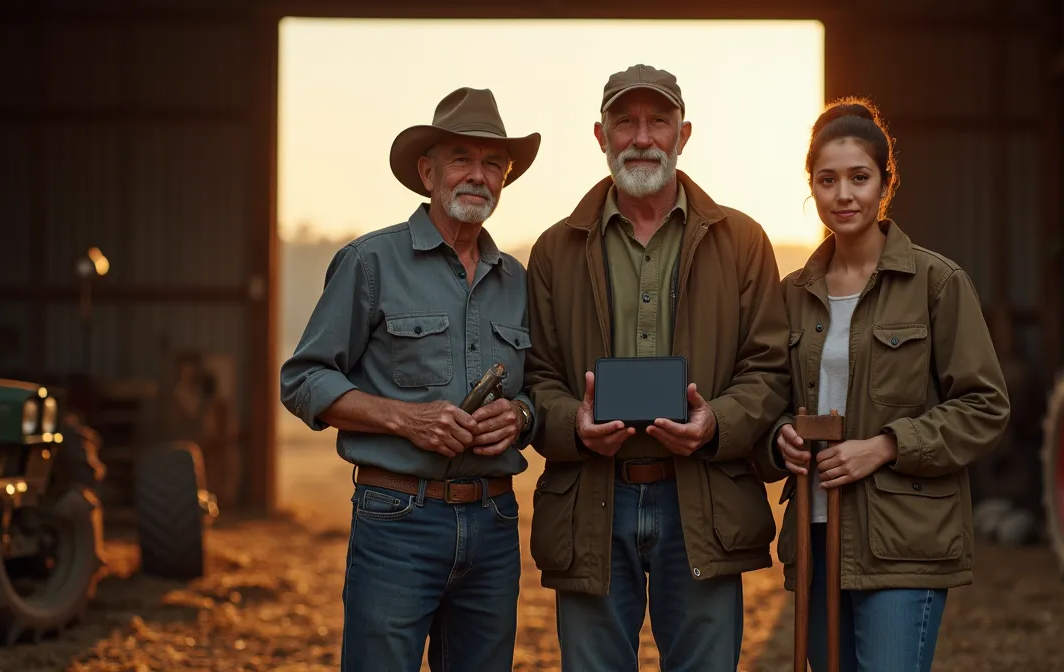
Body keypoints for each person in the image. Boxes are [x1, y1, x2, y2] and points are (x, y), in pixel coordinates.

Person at [523, 64, 791, 671]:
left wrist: (716, 422)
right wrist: (574, 424)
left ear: (683, 133)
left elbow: (770, 370)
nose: (641, 137)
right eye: (625, 122)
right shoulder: (554, 249)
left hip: (702, 501)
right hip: (592, 500)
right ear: (600, 135)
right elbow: (535, 377)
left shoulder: (744, 242)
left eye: (658, 122)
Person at [279, 87, 540, 672]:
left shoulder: (519, 283)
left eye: (493, 163)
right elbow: (302, 379)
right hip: (397, 518)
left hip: (496, 523)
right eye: (461, 159)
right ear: (428, 172)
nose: (478, 175)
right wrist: (404, 418)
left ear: (504, 179)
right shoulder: (370, 263)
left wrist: (522, 415)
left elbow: (541, 388)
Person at [755, 98, 1011, 671]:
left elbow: (986, 406)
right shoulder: (792, 294)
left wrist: (887, 445)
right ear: (811, 187)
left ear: (886, 184)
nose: (843, 194)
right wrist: (780, 439)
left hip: (903, 543)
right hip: (816, 538)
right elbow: (769, 399)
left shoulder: (937, 284)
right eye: (827, 180)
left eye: (859, 177)